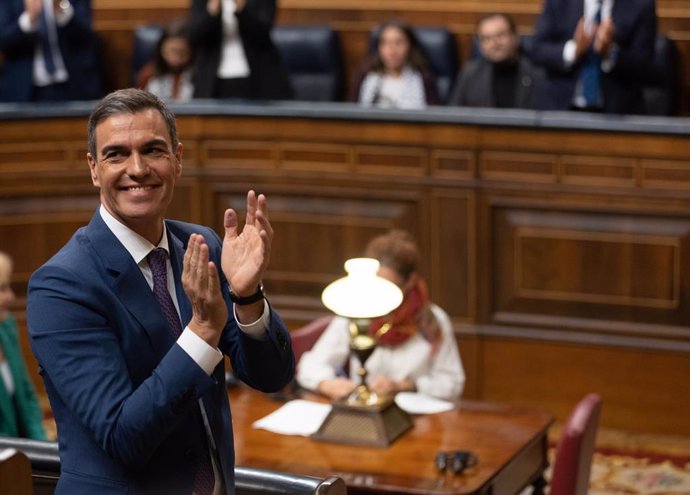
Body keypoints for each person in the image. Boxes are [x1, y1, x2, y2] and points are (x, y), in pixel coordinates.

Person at [27, 88, 294, 494]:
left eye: (153, 150)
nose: (138, 168)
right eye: (116, 154)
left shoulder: (201, 246)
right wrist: (203, 331)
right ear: (94, 168)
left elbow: (272, 376)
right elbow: (123, 437)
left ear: (178, 159)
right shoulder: (62, 285)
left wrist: (247, 296)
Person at [297, 230, 464, 402]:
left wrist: (406, 386)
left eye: (389, 287)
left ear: (410, 281)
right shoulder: (356, 310)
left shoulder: (431, 321)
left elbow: (452, 382)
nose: (380, 294)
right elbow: (311, 365)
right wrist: (327, 384)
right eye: (375, 285)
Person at [529, 0, 657, 114]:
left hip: (617, 113)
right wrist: (574, 50)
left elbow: (644, 65)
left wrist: (611, 54)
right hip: (560, 109)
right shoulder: (559, 2)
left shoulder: (641, 4)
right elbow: (537, 50)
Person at [0, 0, 102, 102]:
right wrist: (29, 20)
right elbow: (3, 40)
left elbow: (87, 37)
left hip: (74, 86)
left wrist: (61, 11)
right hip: (24, 89)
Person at [188, 0, 292, 100]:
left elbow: (263, 34)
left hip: (258, 77)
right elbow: (195, 38)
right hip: (211, 80)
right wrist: (212, 11)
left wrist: (241, 7)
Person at [448, 13, 543, 109]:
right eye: (486, 38)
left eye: (500, 35)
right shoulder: (470, 74)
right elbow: (453, 115)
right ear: (479, 45)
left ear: (515, 38)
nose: (494, 43)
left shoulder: (537, 74)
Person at [0, 252, 47, 440]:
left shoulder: (6, 326)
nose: (11, 296)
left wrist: (42, 450)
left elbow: (27, 397)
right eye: (1, 289)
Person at [350, 20, 440, 109]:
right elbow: (350, 113)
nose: (392, 50)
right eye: (386, 43)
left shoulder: (424, 78)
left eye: (398, 43)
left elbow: (435, 116)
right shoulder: (364, 75)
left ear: (410, 46)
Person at [137, 19, 195, 102]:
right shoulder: (148, 74)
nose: (176, 59)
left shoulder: (201, 76)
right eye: (171, 51)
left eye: (182, 53)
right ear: (161, 49)